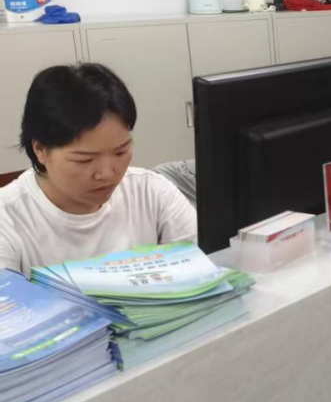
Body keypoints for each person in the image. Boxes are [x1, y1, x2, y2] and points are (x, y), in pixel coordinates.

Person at [0, 64, 197, 274]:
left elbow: (200, 275)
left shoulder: (153, 193)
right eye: (85, 160)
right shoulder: (8, 218)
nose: (107, 174)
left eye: (120, 152)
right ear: (40, 149)